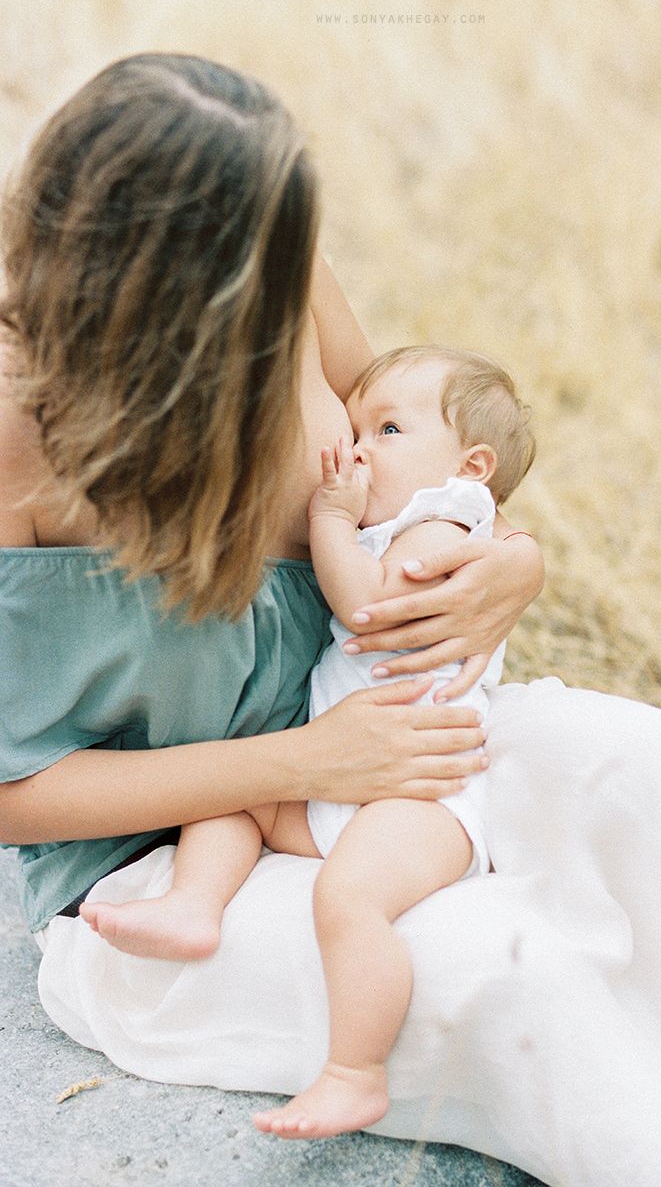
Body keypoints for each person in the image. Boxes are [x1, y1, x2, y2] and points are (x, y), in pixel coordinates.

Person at [2, 52, 661, 1187]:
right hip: (171, 867)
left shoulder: (280, 271)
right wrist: (308, 759)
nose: (285, 290)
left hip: (379, 741)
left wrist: (512, 559)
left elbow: (413, 446)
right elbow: (10, 795)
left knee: (649, 766)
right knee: (515, 964)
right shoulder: (18, 442)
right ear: (151, 296)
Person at [79, 343, 536, 1140]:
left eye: (387, 430)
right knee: (234, 800)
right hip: (350, 780)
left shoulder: (444, 525)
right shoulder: (406, 523)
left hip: (423, 793)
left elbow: (367, 608)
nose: (357, 447)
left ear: (471, 467)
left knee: (347, 898)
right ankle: (193, 905)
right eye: (355, 428)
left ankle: (355, 1073)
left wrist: (329, 519)